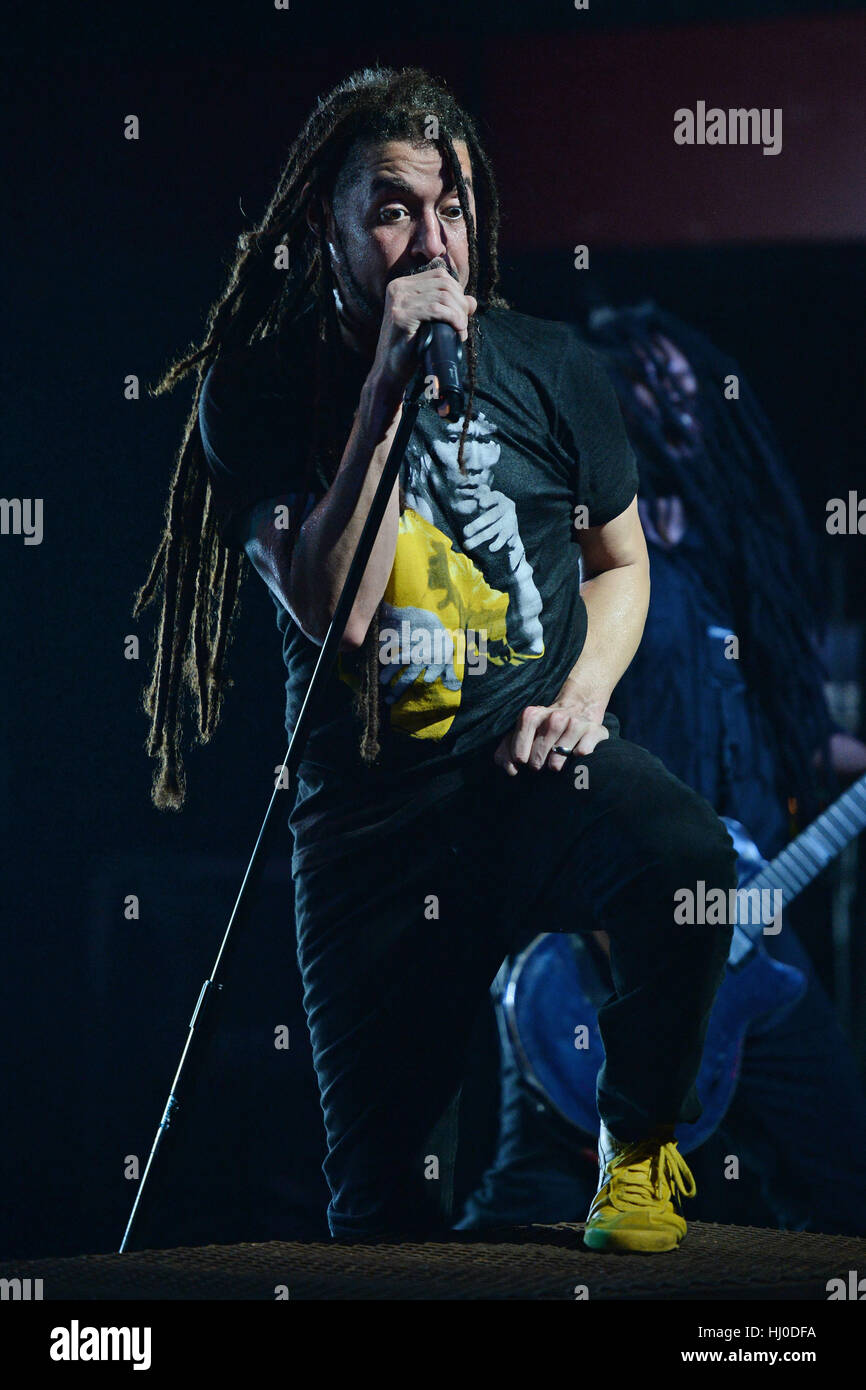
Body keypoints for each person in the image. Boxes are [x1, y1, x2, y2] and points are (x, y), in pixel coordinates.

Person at [134, 69, 737, 1251]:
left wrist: (578, 698)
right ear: (327, 224)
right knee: (381, 1214)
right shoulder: (258, 388)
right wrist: (383, 392)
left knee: (684, 854)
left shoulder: (549, 366)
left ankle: (638, 1146)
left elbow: (620, 564)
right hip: (371, 830)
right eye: (394, 209)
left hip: (523, 778)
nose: (433, 239)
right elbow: (334, 610)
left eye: (451, 205)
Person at [458, 303, 866, 1237]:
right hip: (608, 942)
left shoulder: (722, 567)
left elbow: (765, 741)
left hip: (749, 936)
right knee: (537, 1193)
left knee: (839, 1181)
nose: (680, 394)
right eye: (652, 379)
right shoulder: (595, 573)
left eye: (686, 376)